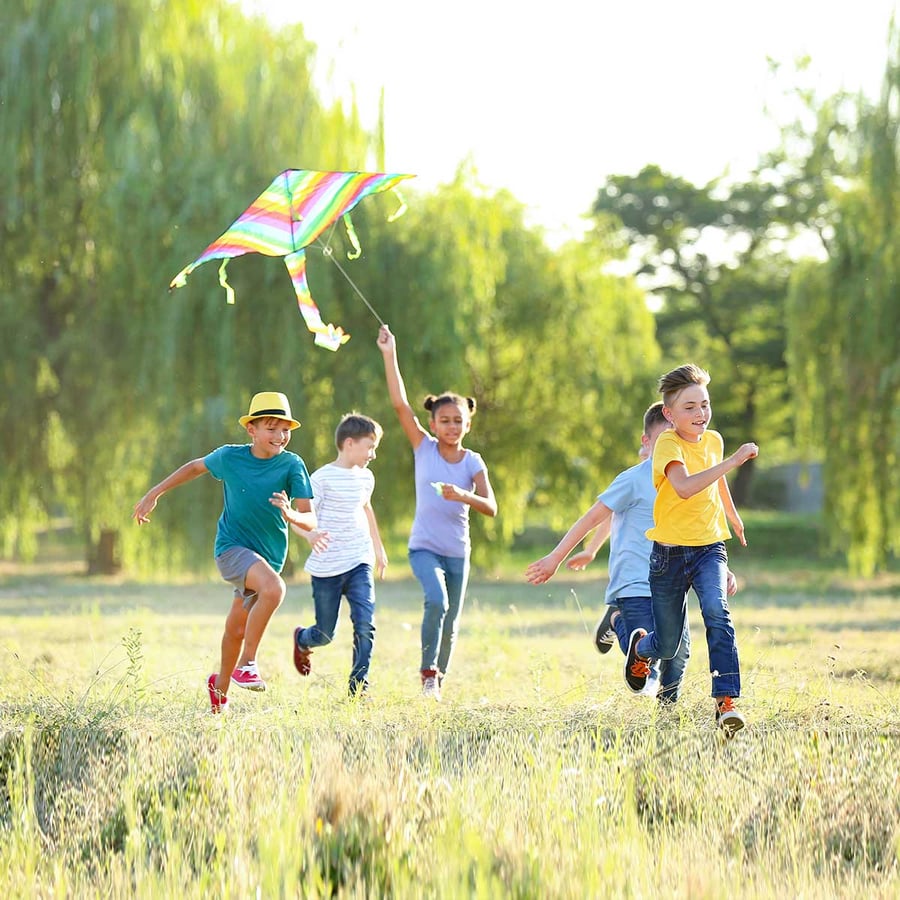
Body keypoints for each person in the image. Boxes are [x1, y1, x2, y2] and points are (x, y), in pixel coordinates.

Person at [133, 391, 325, 713]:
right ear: (251, 429)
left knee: (237, 627)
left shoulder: (293, 465)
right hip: (232, 549)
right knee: (274, 589)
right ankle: (247, 664)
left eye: (285, 429)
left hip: (267, 559)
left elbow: (310, 517)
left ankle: (219, 690)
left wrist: (292, 515)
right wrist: (155, 492)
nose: (280, 436)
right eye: (270, 427)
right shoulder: (230, 458)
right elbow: (195, 468)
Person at [526, 402, 704, 704]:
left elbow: (700, 531)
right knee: (647, 642)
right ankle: (618, 620)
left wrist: (718, 567)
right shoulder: (634, 479)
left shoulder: (686, 482)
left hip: (672, 583)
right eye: (663, 439)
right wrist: (557, 557)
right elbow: (595, 517)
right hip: (634, 579)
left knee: (678, 652)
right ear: (646, 443)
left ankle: (667, 712)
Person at [623, 365, 758, 736]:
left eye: (705, 404)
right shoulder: (667, 444)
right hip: (669, 555)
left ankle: (725, 702)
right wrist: (732, 462)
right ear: (669, 414)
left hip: (709, 548)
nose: (701, 414)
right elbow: (683, 487)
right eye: (690, 408)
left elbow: (716, 481)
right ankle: (641, 649)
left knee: (717, 611)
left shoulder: (713, 440)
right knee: (667, 645)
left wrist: (732, 516)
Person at [377, 324, 498, 701]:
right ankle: (427, 671)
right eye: (444, 420)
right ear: (432, 424)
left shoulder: (473, 462)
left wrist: (463, 494)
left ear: (468, 423)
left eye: (458, 420)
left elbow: (490, 507)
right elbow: (399, 404)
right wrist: (389, 353)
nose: (451, 426)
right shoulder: (423, 448)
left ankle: (436, 682)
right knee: (437, 602)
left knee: (452, 624)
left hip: (458, 550)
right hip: (424, 547)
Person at [282, 412, 388, 697]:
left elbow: (366, 507)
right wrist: (310, 535)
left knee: (365, 623)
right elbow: (300, 519)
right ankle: (303, 639)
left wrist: (378, 548)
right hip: (327, 567)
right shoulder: (321, 479)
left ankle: (358, 687)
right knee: (325, 634)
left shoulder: (367, 477)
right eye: (370, 446)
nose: (373, 454)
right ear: (350, 443)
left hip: (359, 560)